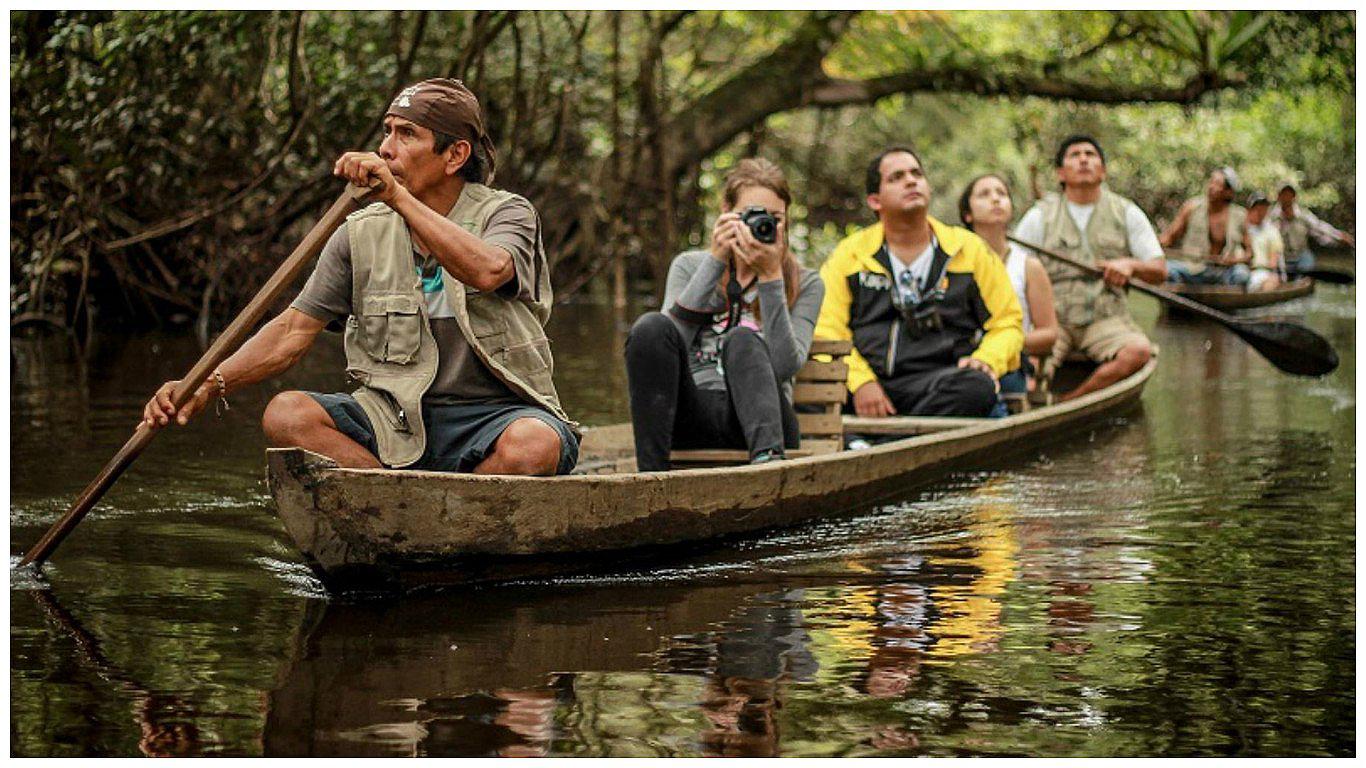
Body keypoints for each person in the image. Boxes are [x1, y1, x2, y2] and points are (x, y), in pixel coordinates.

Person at [142, 78, 579, 476]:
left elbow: (489, 270)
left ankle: (442, 506)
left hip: (496, 415)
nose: (386, 148)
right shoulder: (359, 232)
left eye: (407, 134)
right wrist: (206, 384)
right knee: (285, 414)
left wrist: (396, 197)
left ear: (455, 155)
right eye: (387, 131)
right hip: (395, 418)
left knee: (534, 445)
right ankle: (397, 500)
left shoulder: (507, 213)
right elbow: (292, 332)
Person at [623, 158, 824, 471]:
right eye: (751, 216)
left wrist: (771, 276)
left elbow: (784, 367)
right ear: (726, 213)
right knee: (650, 326)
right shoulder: (689, 266)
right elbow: (664, 348)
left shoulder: (806, 282)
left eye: (774, 218)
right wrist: (716, 261)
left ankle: (768, 470)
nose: (761, 226)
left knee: (742, 340)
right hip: (691, 417)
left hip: (764, 422)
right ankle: (651, 479)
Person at [815, 147, 1023, 420]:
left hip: (941, 382)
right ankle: (879, 437)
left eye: (917, 174)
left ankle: (876, 442)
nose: (911, 181)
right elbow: (826, 329)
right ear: (875, 201)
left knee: (976, 387)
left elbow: (1008, 323)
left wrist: (986, 360)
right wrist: (861, 382)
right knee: (802, 391)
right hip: (870, 385)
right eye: (897, 177)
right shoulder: (850, 254)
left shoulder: (969, 249)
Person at [1012, 135, 1166, 401]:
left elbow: (1159, 270)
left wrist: (1129, 265)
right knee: (1017, 356)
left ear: (1103, 170)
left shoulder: (1126, 212)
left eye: (1090, 154)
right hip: (1053, 319)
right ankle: (1032, 395)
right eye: (1074, 155)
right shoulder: (1040, 216)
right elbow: (1012, 270)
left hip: (1106, 318)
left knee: (1139, 352)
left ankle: (1070, 401)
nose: (1083, 159)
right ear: (1061, 173)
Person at [958, 173, 1059, 407]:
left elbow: (1049, 333)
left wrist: (1002, 344)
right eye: (984, 194)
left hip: (1008, 364)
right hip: (960, 359)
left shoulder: (1028, 266)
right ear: (967, 214)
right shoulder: (954, 260)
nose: (995, 199)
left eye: (1001, 194)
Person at [1160, 167, 1251, 286]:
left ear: (1228, 192)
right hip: (1192, 269)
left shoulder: (1240, 215)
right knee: (1166, 269)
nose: (1211, 187)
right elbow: (1169, 237)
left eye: (1218, 184)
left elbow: (1249, 253)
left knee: (1242, 275)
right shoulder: (1192, 208)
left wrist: (1233, 261)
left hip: (1224, 272)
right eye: (1211, 182)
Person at [1269, 181, 1355, 274]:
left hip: (1300, 255)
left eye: (1289, 195)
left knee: (1307, 267)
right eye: (1283, 195)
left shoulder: (1303, 215)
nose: (1286, 198)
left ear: (1294, 197)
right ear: (1278, 197)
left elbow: (1320, 228)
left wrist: (1339, 236)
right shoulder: (1271, 217)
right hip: (1280, 256)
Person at [1244, 192, 1285, 292]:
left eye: (1264, 209)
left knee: (1270, 281)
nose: (1260, 212)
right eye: (1257, 208)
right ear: (1250, 209)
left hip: (1264, 272)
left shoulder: (1272, 231)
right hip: (1242, 271)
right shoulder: (1242, 228)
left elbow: (1273, 261)